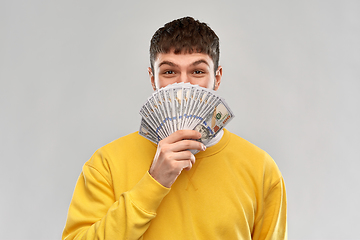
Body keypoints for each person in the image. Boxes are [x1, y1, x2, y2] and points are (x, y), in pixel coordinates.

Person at [62, 16, 287, 240]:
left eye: (198, 71)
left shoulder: (262, 169)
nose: (183, 84)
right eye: (169, 72)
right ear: (153, 79)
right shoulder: (106, 164)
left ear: (217, 78)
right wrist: (154, 182)